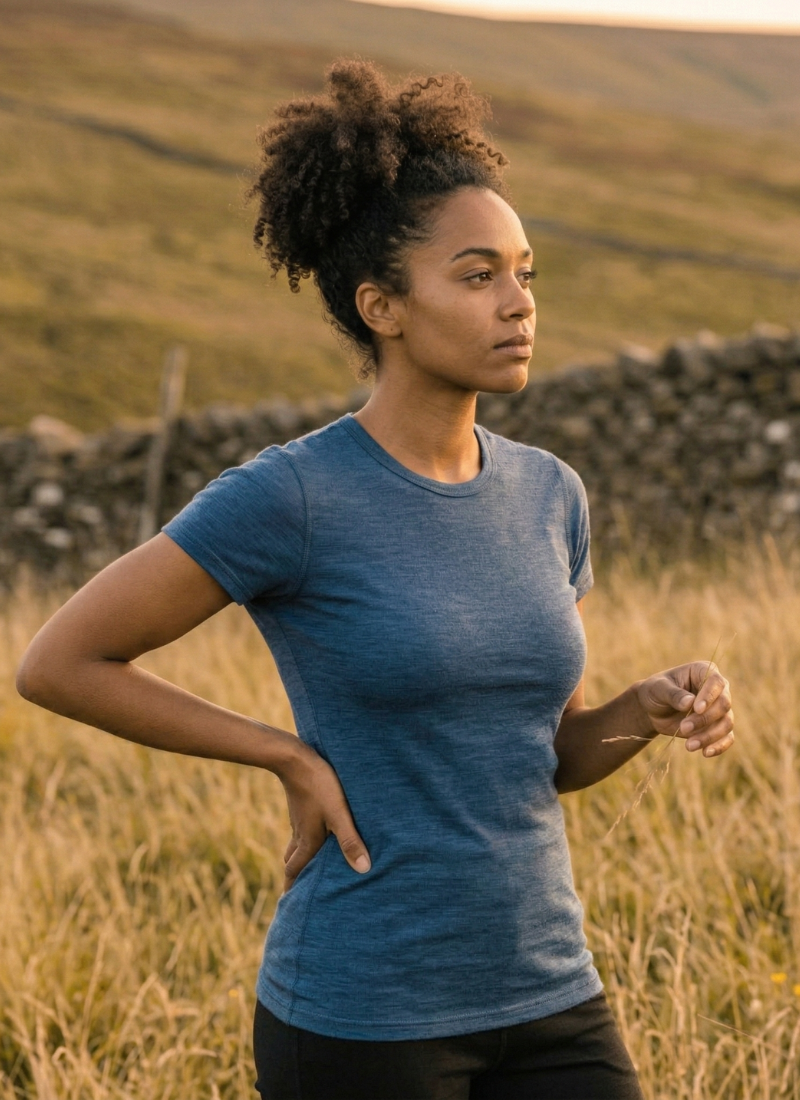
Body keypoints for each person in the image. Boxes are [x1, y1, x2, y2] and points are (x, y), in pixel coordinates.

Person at [16, 61, 734, 1100]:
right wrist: (284, 755)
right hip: (363, 1015)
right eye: (477, 274)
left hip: (546, 990)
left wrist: (649, 703)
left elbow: (553, 754)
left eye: (525, 272)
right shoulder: (291, 496)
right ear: (381, 305)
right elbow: (60, 662)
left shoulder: (549, 493)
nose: (517, 302)